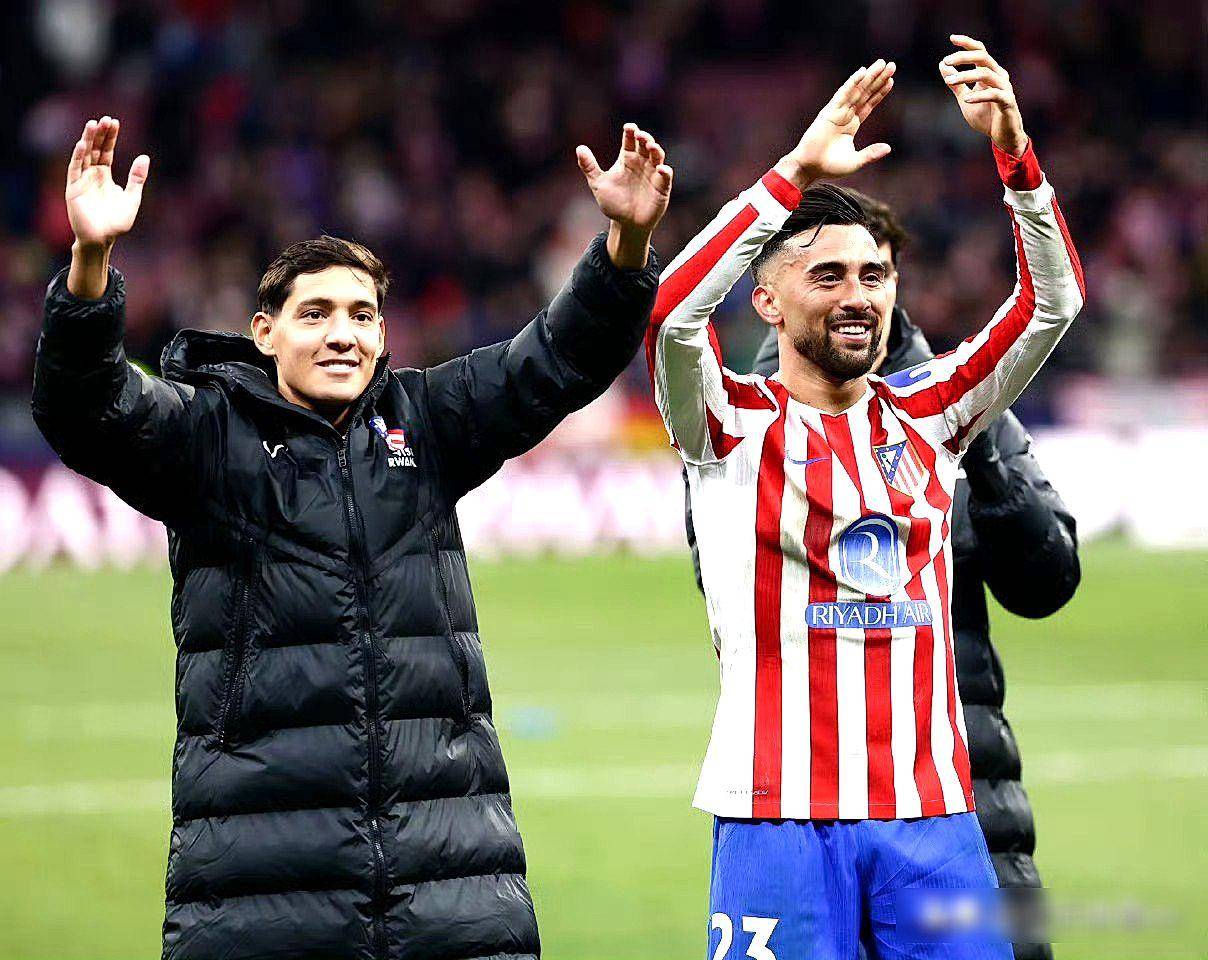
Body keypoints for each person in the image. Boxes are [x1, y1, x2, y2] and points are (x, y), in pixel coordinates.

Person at [33, 116, 671, 959]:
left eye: (363, 315)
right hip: (261, 895)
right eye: (317, 313)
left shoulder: (427, 421)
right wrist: (90, 265)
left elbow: (554, 359)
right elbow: (89, 409)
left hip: (450, 885)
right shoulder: (208, 438)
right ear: (264, 333)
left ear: (383, 335)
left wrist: (625, 246)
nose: (343, 333)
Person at [647, 39, 1084, 958]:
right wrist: (793, 176)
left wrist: (1015, 155)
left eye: (876, 275)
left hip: (934, 821)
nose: (859, 296)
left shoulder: (933, 412)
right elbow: (673, 314)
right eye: (828, 275)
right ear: (768, 302)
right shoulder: (726, 425)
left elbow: (1052, 304)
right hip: (775, 818)